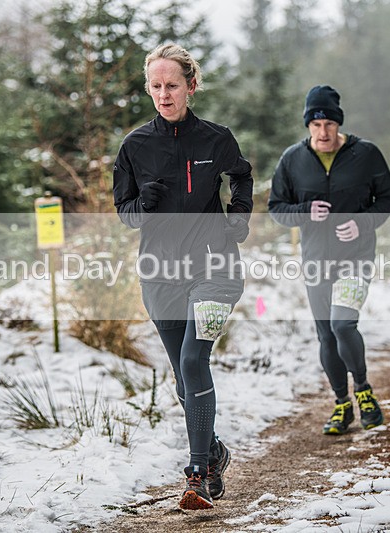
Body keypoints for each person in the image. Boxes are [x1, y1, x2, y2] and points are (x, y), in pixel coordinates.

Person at [112, 43, 253, 510]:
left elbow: (242, 176)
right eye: (155, 86)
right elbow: (125, 215)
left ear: (191, 86)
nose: (163, 94)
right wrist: (144, 204)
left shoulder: (217, 138)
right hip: (160, 274)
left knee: (194, 362)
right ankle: (214, 452)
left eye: (172, 85)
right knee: (181, 374)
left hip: (215, 269)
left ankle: (195, 473)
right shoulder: (134, 146)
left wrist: (239, 214)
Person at [268, 85, 390, 436]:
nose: (322, 132)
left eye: (329, 124)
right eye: (316, 124)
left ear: (338, 124)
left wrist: (362, 223)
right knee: (326, 334)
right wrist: (305, 211)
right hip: (316, 261)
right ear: (308, 125)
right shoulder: (292, 160)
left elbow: (388, 198)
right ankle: (342, 403)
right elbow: (276, 208)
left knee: (343, 324)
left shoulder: (366, 154)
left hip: (356, 258)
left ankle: (364, 390)